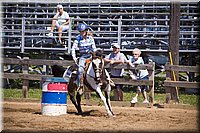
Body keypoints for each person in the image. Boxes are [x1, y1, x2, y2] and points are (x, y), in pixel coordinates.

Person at [71, 23, 96, 90]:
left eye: (82, 31)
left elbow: (94, 49)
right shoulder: (78, 38)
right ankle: (79, 85)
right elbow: (73, 48)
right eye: (80, 31)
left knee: (97, 67)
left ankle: (101, 82)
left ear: (86, 31)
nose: (81, 33)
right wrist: (74, 57)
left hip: (90, 56)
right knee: (80, 70)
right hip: (83, 56)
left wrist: (95, 55)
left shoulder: (90, 38)